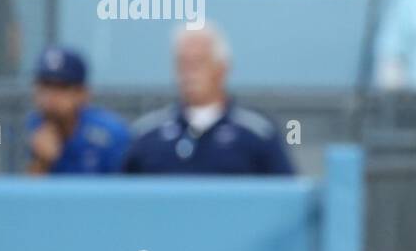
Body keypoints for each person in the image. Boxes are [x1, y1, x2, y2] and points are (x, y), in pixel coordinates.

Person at [123, 25, 293, 175]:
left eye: (198, 62)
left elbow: (285, 197)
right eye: (183, 63)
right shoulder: (146, 135)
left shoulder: (257, 133)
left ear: (222, 68)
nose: (189, 73)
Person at [25, 46, 130, 175]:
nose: (50, 96)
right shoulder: (32, 126)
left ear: (83, 93)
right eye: (45, 86)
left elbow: (127, 190)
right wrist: (41, 163)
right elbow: (24, 193)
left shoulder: (111, 134)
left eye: (62, 87)